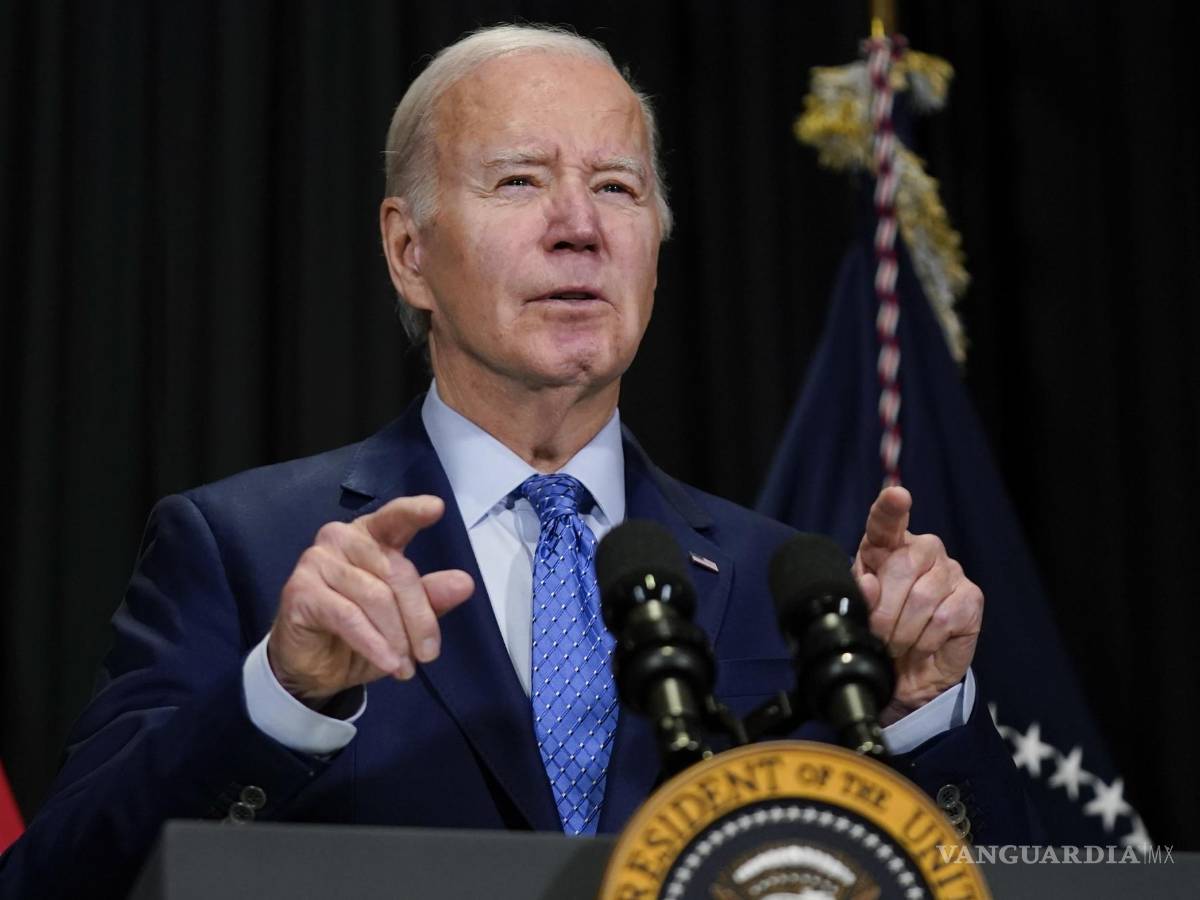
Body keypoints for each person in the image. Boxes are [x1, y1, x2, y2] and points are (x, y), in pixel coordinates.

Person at [0, 24, 1034, 900]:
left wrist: (924, 714)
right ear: (410, 253)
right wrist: (282, 695)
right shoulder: (245, 550)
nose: (579, 227)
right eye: (520, 181)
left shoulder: (790, 585)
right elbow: (59, 880)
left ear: (656, 248)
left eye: (618, 187)